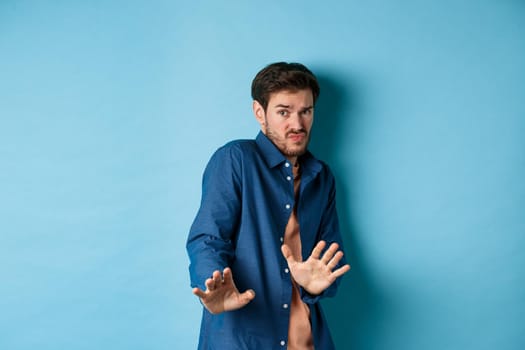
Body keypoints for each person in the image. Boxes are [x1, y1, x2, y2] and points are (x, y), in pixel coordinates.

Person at [186, 62, 350, 349]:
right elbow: (208, 238)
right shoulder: (236, 159)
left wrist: (317, 285)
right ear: (259, 113)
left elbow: (331, 259)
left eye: (306, 111)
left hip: (307, 338)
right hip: (244, 338)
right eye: (284, 112)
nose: (297, 124)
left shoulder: (322, 177)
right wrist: (212, 281)